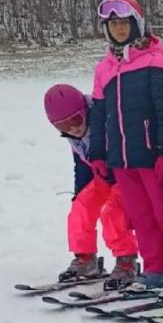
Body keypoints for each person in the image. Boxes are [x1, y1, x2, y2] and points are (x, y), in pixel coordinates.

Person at [88, 0, 163, 289]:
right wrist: (98, 154)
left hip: (151, 155)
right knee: (140, 218)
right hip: (122, 159)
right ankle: (155, 270)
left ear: (136, 25)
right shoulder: (104, 69)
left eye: (125, 23)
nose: (119, 29)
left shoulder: (154, 61)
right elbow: (99, 116)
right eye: (114, 25)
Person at [43, 84, 138, 283]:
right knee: (81, 206)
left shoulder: (104, 119)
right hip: (102, 176)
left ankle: (126, 261)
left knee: (112, 212)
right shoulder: (74, 136)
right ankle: (85, 258)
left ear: (85, 110)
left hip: (126, 175)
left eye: (75, 120)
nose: (73, 128)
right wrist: (80, 190)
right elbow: (82, 164)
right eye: (63, 126)